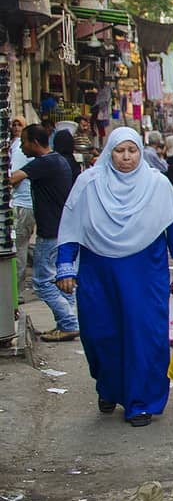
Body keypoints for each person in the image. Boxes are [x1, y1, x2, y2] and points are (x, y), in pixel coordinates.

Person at [54, 127, 173, 426]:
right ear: (109, 151)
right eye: (120, 151)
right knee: (100, 335)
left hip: (145, 271)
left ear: (140, 152)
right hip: (98, 272)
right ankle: (108, 386)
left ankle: (140, 402)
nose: (127, 157)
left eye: (132, 150)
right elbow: (71, 225)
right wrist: (65, 264)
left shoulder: (156, 184)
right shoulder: (88, 183)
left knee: (144, 335)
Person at [10, 125, 80, 341]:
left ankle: (69, 322)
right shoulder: (58, 160)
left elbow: (12, 179)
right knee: (62, 280)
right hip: (61, 229)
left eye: (24, 141)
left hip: (51, 232)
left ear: (35, 142)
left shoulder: (45, 163)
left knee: (41, 282)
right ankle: (66, 323)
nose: (21, 146)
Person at [10, 118, 34, 277]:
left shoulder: (20, 149)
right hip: (23, 204)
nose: (16, 127)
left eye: (20, 125)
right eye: (14, 124)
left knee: (19, 248)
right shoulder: (14, 146)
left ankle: (15, 291)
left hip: (22, 205)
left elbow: (13, 177)